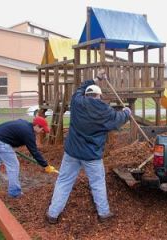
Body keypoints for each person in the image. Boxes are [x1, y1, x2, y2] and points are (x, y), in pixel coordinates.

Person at [46, 69, 131, 224]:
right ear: (99, 96)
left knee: (63, 181)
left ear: (86, 94)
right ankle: (104, 214)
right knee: (97, 183)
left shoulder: (77, 102)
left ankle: (52, 214)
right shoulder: (104, 110)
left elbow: (80, 88)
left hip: (72, 152)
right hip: (92, 156)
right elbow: (117, 120)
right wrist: (126, 112)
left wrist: (96, 78)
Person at [0, 116, 58, 197]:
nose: (43, 132)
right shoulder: (28, 133)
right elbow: (34, 152)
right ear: (37, 126)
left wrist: (11, 144)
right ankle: (14, 192)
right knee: (13, 166)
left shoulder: (26, 125)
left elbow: (15, 132)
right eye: (42, 129)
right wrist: (45, 165)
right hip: (0, 142)